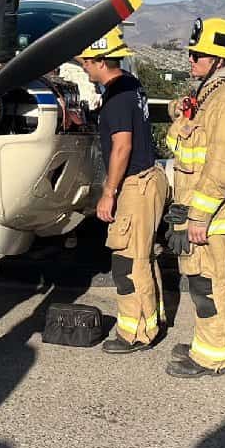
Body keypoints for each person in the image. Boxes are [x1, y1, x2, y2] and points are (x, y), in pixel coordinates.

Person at [164, 17, 225, 378]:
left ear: (217, 59)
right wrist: (181, 110)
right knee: (199, 279)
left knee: (209, 283)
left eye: (198, 54)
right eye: (191, 52)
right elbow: (187, 144)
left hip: (211, 216)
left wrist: (199, 216)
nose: (191, 59)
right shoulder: (209, 94)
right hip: (198, 211)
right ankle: (204, 343)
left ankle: (213, 356)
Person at [76, 27, 168, 353]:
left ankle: (135, 333)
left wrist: (109, 192)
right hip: (150, 179)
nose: (84, 68)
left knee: (128, 262)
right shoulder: (130, 84)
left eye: (86, 63)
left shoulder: (115, 99)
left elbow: (121, 147)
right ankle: (152, 320)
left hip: (134, 187)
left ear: (101, 61)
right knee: (142, 257)